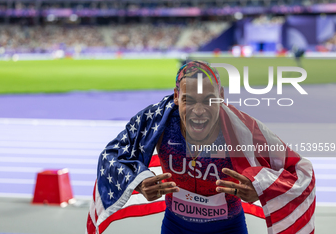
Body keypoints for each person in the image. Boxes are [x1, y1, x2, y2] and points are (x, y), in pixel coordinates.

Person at [87, 61, 315, 234]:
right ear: (176, 97)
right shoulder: (157, 122)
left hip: (229, 228)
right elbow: (113, 155)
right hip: (175, 226)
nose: (198, 111)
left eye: (208, 100)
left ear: (221, 96)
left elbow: (300, 171)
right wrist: (138, 182)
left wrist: (263, 188)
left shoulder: (243, 129)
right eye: (189, 100)